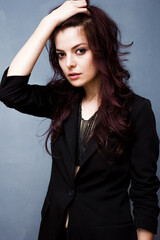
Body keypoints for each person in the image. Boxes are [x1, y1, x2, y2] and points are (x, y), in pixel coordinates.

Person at [0, 0, 159, 240]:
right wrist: (47, 23)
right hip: (53, 232)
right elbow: (10, 92)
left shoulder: (137, 110)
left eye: (80, 50)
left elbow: (144, 190)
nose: (69, 64)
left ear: (101, 49)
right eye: (61, 55)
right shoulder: (61, 99)